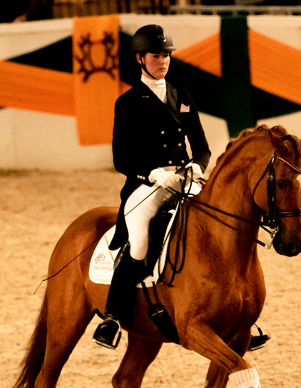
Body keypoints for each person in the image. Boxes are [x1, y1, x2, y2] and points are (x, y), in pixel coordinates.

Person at [92, 24, 211, 350]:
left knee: (218, 223)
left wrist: (197, 166)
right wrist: (155, 174)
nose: (163, 61)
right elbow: (121, 158)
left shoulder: (182, 97)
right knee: (141, 239)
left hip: (185, 180)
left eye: (166, 55)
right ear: (141, 59)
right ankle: (112, 317)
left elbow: (201, 146)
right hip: (147, 186)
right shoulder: (128, 103)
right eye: (156, 56)